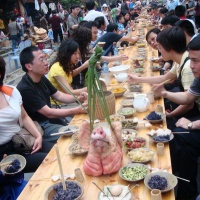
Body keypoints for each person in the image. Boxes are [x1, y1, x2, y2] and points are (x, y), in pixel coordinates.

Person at [152, 34, 200, 200]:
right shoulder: (198, 77)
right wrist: (164, 92)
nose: (192, 66)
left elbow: (189, 104)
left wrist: (191, 125)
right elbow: (188, 97)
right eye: (191, 60)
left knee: (179, 134)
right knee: (184, 143)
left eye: (196, 61)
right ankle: (186, 188)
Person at [17, 46, 88, 141]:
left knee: (83, 125)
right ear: (29, 66)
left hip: (51, 119)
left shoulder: (41, 77)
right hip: (40, 126)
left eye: (45, 58)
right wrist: (77, 110)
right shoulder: (25, 88)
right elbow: (48, 113)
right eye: (41, 60)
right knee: (76, 135)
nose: (46, 63)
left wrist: (78, 98)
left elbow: (59, 95)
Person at [128, 27, 197, 125]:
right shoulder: (181, 59)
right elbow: (164, 78)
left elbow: (189, 104)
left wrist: (169, 115)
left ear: (171, 48)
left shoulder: (188, 67)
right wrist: (137, 79)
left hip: (194, 114)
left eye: (160, 47)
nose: (159, 50)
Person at [0, 55, 54, 172]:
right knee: (49, 161)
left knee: (58, 151)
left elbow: (24, 117)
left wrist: (38, 136)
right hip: (6, 152)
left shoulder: (11, 91)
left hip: (24, 140)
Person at [48, 39, 88, 104]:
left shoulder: (66, 64)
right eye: (75, 53)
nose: (78, 56)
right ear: (67, 53)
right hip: (61, 104)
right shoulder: (57, 69)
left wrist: (83, 66)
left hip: (70, 99)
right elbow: (69, 91)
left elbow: (70, 75)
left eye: (78, 53)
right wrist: (88, 89)